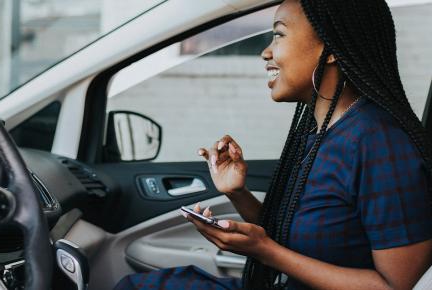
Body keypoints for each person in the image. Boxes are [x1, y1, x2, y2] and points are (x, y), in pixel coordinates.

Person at [113, 0, 432, 289]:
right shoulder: (321, 134)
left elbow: (394, 286)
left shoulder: (380, 143)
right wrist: (237, 193)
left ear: (331, 48)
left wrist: (266, 252)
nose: (266, 52)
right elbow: (301, 234)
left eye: (278, 35)